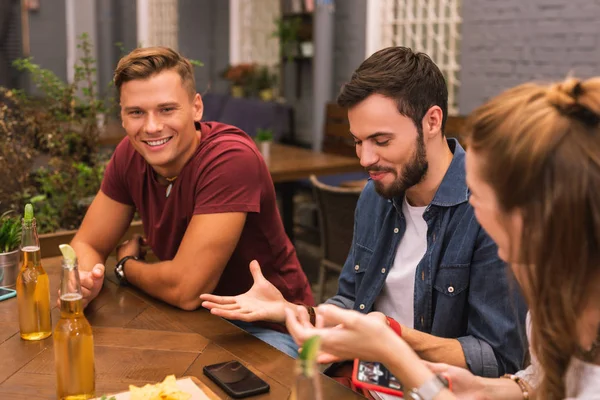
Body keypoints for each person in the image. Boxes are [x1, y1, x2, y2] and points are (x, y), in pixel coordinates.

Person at [200, 46, 527, 377]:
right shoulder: (376, 194)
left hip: (429, 386)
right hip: (359, 372)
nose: (365, 159)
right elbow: (350, 302)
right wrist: (293, 311)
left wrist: (390, 337)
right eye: (358, 141)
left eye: (381, 141)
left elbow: (498, 357)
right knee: (222, 357)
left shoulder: (488, 207)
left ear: (432, 121)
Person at [285, 76, 600, 399]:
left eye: (476, 190)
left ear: (527, 210)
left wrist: (395, 347)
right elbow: (545, 379)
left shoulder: (530, 269)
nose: (468, 200)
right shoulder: (558, 298)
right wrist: (491, 388)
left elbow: (501, 355)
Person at [67, 47, 313, 357]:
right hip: (194, 321)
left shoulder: (229, 159)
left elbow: (185, 289)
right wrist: (84, 283)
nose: (152, 126)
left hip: (273, 328)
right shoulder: (129, 155)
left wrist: (126, 268)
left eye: (167, 109)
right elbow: (88, 243)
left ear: (196, 108)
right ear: (122, 115)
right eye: (136, 112)